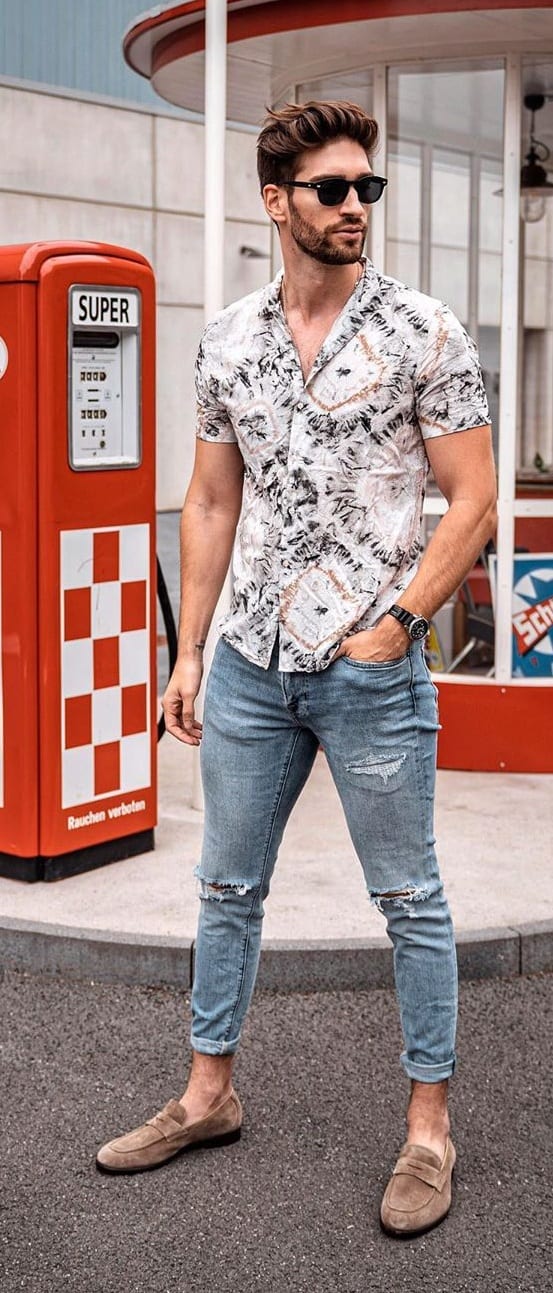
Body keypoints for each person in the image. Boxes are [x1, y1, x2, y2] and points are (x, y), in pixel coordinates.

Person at [96, 101, 497, 1237]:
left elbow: (468, 500)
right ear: (276, 202)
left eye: (367, 189)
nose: (356, 208)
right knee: (224, 892)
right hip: (248, 665)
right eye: (332, 190)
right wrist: (188, 650)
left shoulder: (425, 329)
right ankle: (206, 1096)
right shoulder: (226, 341)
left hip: (371, 663)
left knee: (409, 900)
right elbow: (213, 499)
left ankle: (428, 1132)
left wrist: (404, 622)